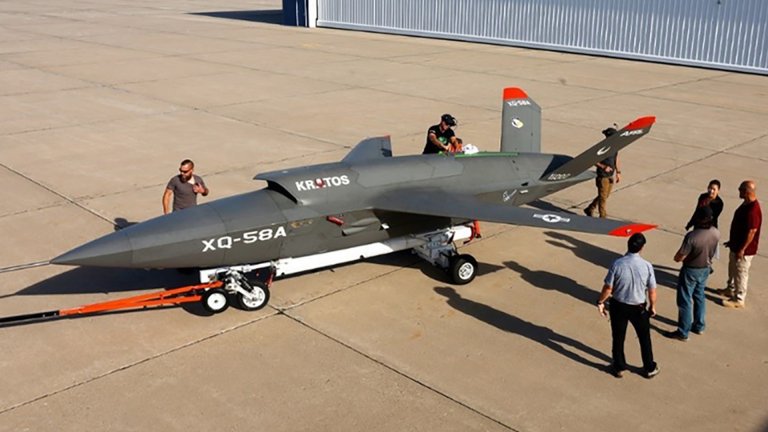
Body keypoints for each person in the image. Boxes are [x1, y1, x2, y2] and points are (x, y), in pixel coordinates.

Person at [596, 233, 660, 379]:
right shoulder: (647, 266)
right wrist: (652, 306)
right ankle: (649, 367)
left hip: (619, 306)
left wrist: (600, 301)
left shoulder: (617, 264)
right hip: (639, 307)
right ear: (642, 248)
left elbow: (608, 288)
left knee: (618, 337)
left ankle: (619, 366)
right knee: (644, 337)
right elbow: (652, 290)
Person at [665, 206, 720, 341]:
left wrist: (678, 257)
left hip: (691, 270)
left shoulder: (692, 236)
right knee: (699, 296)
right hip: (705, 268)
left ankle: (683, 331)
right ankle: (699, 325)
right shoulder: (715, 232)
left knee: (685, 300)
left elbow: (679, 257)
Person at [720, 180, 762, 308]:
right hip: (735, 245)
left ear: (747, 192)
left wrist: (742, 249)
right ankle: (730, 289)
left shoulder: (753, 210)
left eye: (740, 189)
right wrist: (732, 242)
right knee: (732, 268)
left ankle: (739, 299)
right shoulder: (746, 203)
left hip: (744, 250)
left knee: (741, 272)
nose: (738, 191)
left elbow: (752, 231)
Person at [584, 127, 620, 218]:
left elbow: (616, 159)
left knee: (604, 196)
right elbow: (593, 159)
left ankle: (590, 208)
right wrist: (604, 167)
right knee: (603, 198)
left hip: (610, 175)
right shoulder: (601, 148)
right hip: (602, 176)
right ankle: (602, 217)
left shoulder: (615, 147)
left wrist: (618, 172)